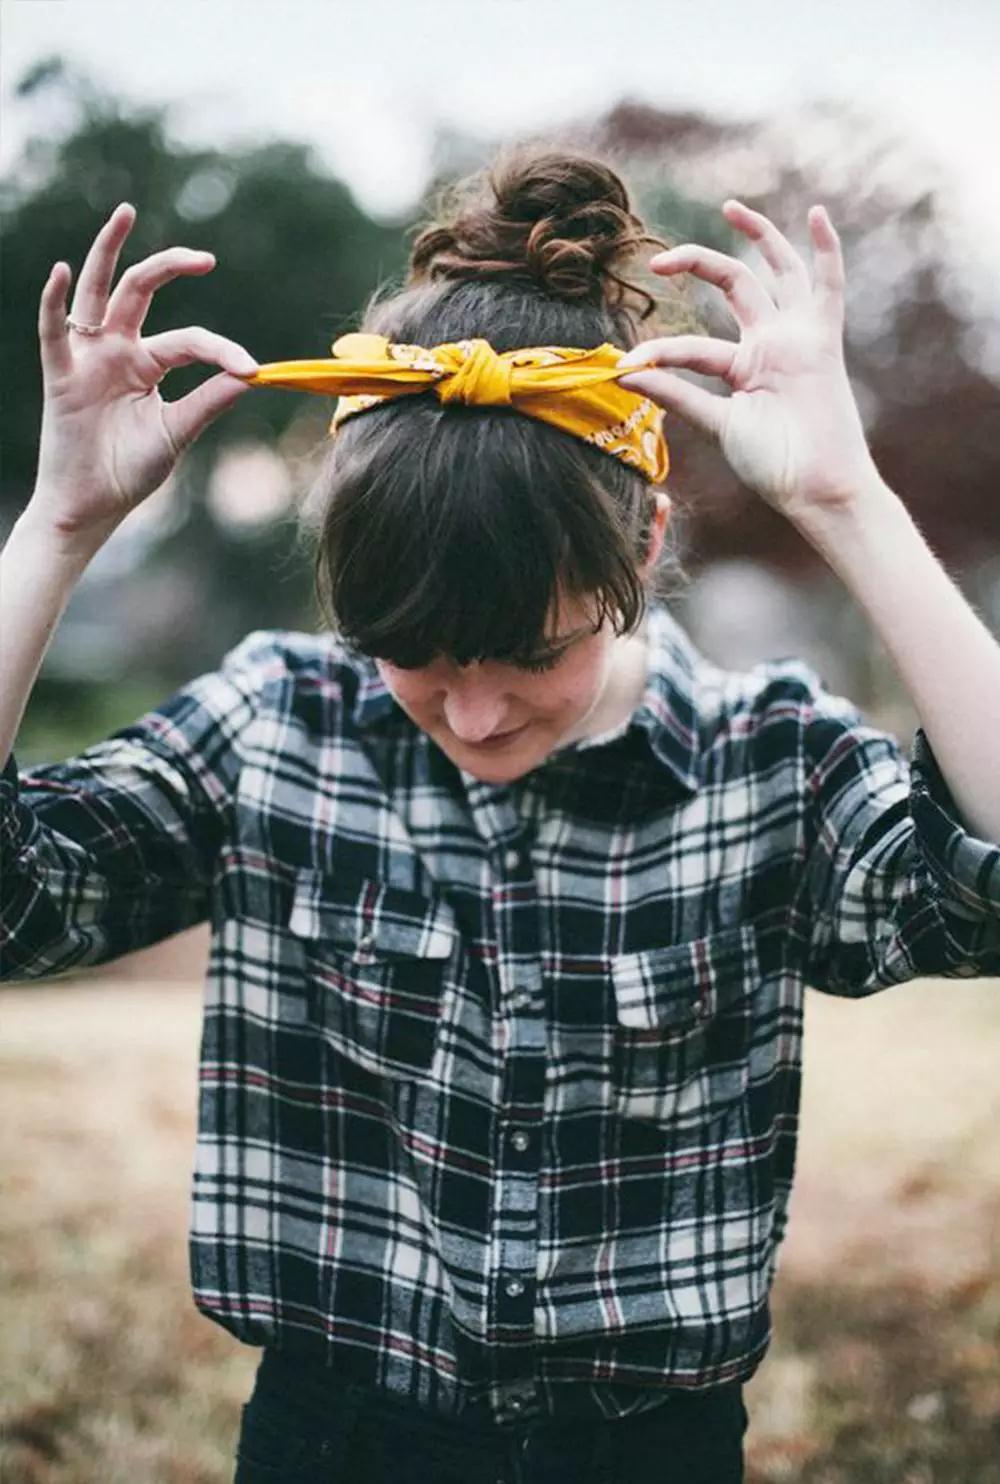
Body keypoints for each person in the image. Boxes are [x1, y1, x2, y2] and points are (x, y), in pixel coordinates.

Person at [2, 144, 998, 1484]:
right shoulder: (275, 726)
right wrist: (59, 527)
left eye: (531, 655)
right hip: (331, 1436)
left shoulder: (768, 761)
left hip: (651, 1451)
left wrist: (847, 502)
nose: (474, 716)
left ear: (643, 546)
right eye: (415, 655)